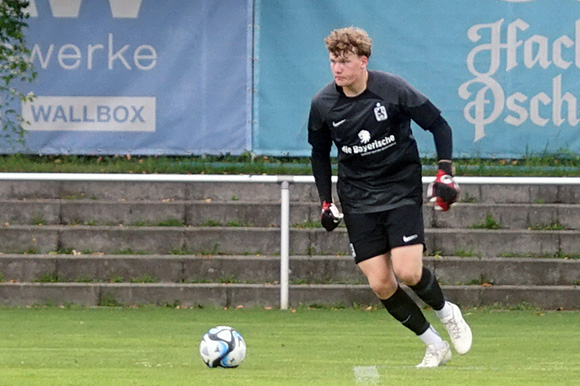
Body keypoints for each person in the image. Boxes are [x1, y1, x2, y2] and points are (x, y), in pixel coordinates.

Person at [308, 27, 472, 368]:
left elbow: (439, 125)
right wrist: (325, 201)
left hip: (399, 190)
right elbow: (319, 155)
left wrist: (445, 172)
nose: (337, 69)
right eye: (333, 62)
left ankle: (448, 312)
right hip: (357, 199)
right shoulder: (323, 104)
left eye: (344, 61)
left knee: (408, 272)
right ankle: (434, 345)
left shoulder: (392, 89)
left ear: (363, 61)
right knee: (382, 283)